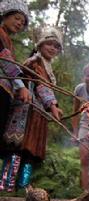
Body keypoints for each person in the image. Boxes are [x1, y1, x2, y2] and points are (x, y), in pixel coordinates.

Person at [13, 26, 63, 190]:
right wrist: (53, 106)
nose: (53, 48)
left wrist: (54, 106)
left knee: (31, 153)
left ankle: (23, 188)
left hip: (38, 115)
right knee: (18, 149)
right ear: (40, 45)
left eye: (56, 46)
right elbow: (41, 86)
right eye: (49, 44)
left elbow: (45, 87)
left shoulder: (47, 66)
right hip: (25, 115)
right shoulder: (34, 62)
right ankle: (6, 186)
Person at [0, 0, 31, 192]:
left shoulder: (7, 39)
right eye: (17, 18)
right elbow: (5, 61)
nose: (19, 23)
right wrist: (21, 85)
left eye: (23, 21)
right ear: (5, 15)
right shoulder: (1, 36)